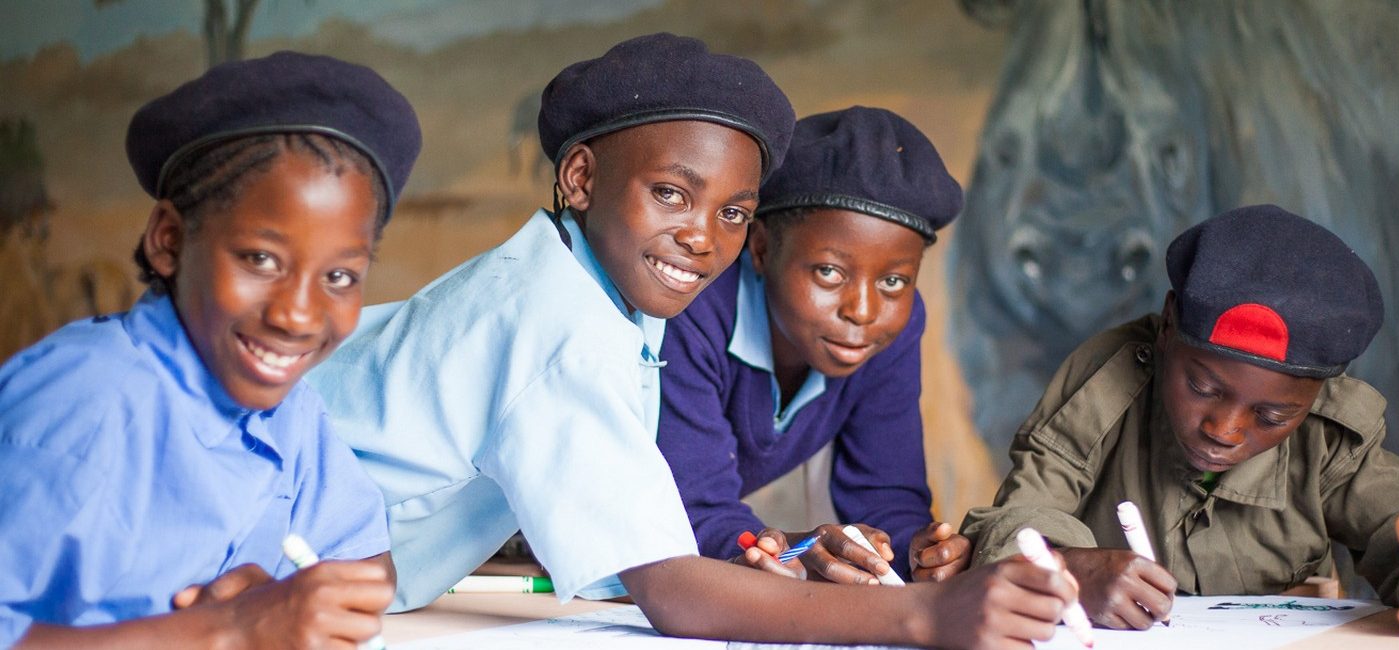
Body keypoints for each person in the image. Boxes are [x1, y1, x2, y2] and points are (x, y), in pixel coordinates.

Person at [307, 33, 1079, 648]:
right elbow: (673, 591)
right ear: (580, 178)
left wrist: (797, 554)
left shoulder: (591, 291)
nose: (703, 240)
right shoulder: (561, 323)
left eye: (734, 213)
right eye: (672, 193)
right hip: (271, 567)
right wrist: (925, 619)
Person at [961, 204, 1399, 637]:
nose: (1226, 428)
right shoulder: (1104, 386)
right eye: (1202, 386)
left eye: (1272, 415)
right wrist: (1069, 566)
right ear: (1168, 327)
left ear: (1317, 397)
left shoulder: (1330, 439)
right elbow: (1023, 510)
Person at [0, 51, 422, 648]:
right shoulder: (88, 399)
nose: (297, 315)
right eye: (260, 259)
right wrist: (223, 630)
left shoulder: (290, 410)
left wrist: (280, 595)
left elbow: (369, 569)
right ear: (169, 240)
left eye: (340, 277)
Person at [658, 106, 971, 585]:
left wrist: (915, 551)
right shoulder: (695, 306)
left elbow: (885, 493)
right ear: (760, 248)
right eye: (829, 271)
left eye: (893, 280)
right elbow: (689, 505)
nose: (863, 310)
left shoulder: (890, 331)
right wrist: (791, 552)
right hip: (548, 542)